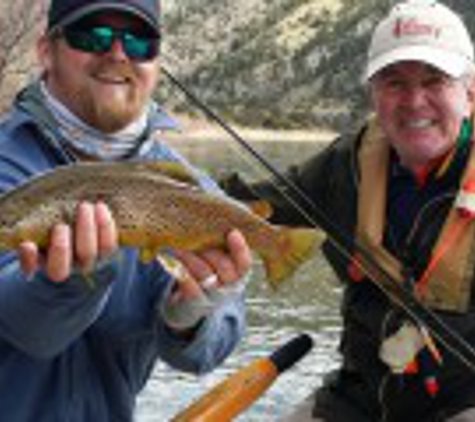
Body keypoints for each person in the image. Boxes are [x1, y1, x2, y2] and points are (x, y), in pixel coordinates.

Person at [0, 0, 252, 421]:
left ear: (156, 62)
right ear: (46, 50)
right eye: (92, 36)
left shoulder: (189, 191)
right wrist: (70, 279)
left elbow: (208, 351)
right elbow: (30, 330)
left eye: (139, 42)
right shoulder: (10, 173)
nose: (117, 53)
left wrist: (193, 317)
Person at [223, 1, 475, 421]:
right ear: (373, 95)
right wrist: (174, 198)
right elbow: (251, 208)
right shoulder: (345, 163)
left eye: (435, 81)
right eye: (394, 82)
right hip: (356, 400)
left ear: (469, 93)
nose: (414, 101)